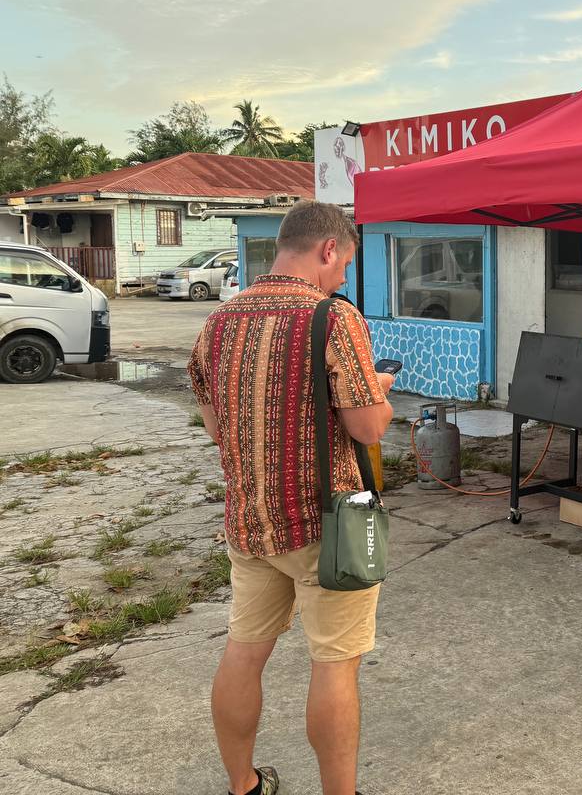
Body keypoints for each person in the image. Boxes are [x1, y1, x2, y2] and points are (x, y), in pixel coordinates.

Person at [188, 201, 394, 795]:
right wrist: (378, 391)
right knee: (334, 663)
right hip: (327, 527)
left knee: (244, 651)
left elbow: (215, 424)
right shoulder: (333, 318)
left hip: (250, 524)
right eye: (345, 264)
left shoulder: (219, 322)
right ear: (328, 250)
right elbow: (368, 429)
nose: (343, 278)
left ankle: (242, 785)